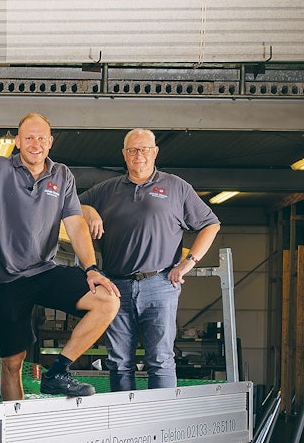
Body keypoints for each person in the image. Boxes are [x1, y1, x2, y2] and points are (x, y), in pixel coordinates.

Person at [0, 113, 118, 400]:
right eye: (29, 137)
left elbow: (74, 224)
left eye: (41, 138)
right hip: (4, 280)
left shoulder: (62, 175)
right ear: (18, 141)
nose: (35, 144)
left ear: (50, 142)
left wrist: (92, 268)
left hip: (44, 272)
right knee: (12, 363)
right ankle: (14, 433)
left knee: (107, 300)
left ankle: (58, 372)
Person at [80, 128, 221, 391]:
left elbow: (211, 224)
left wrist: (188, 263)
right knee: (119, 361)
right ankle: (124, 426)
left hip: (159, 284)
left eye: (144, 149)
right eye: (132, 150)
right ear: (124, 155)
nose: (138, 155)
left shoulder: (176, 187)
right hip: (115, 287)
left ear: (155, 152)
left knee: (160, 359)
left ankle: (162, 426)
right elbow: (70, 208)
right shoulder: (107, 190)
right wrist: (88, 210)